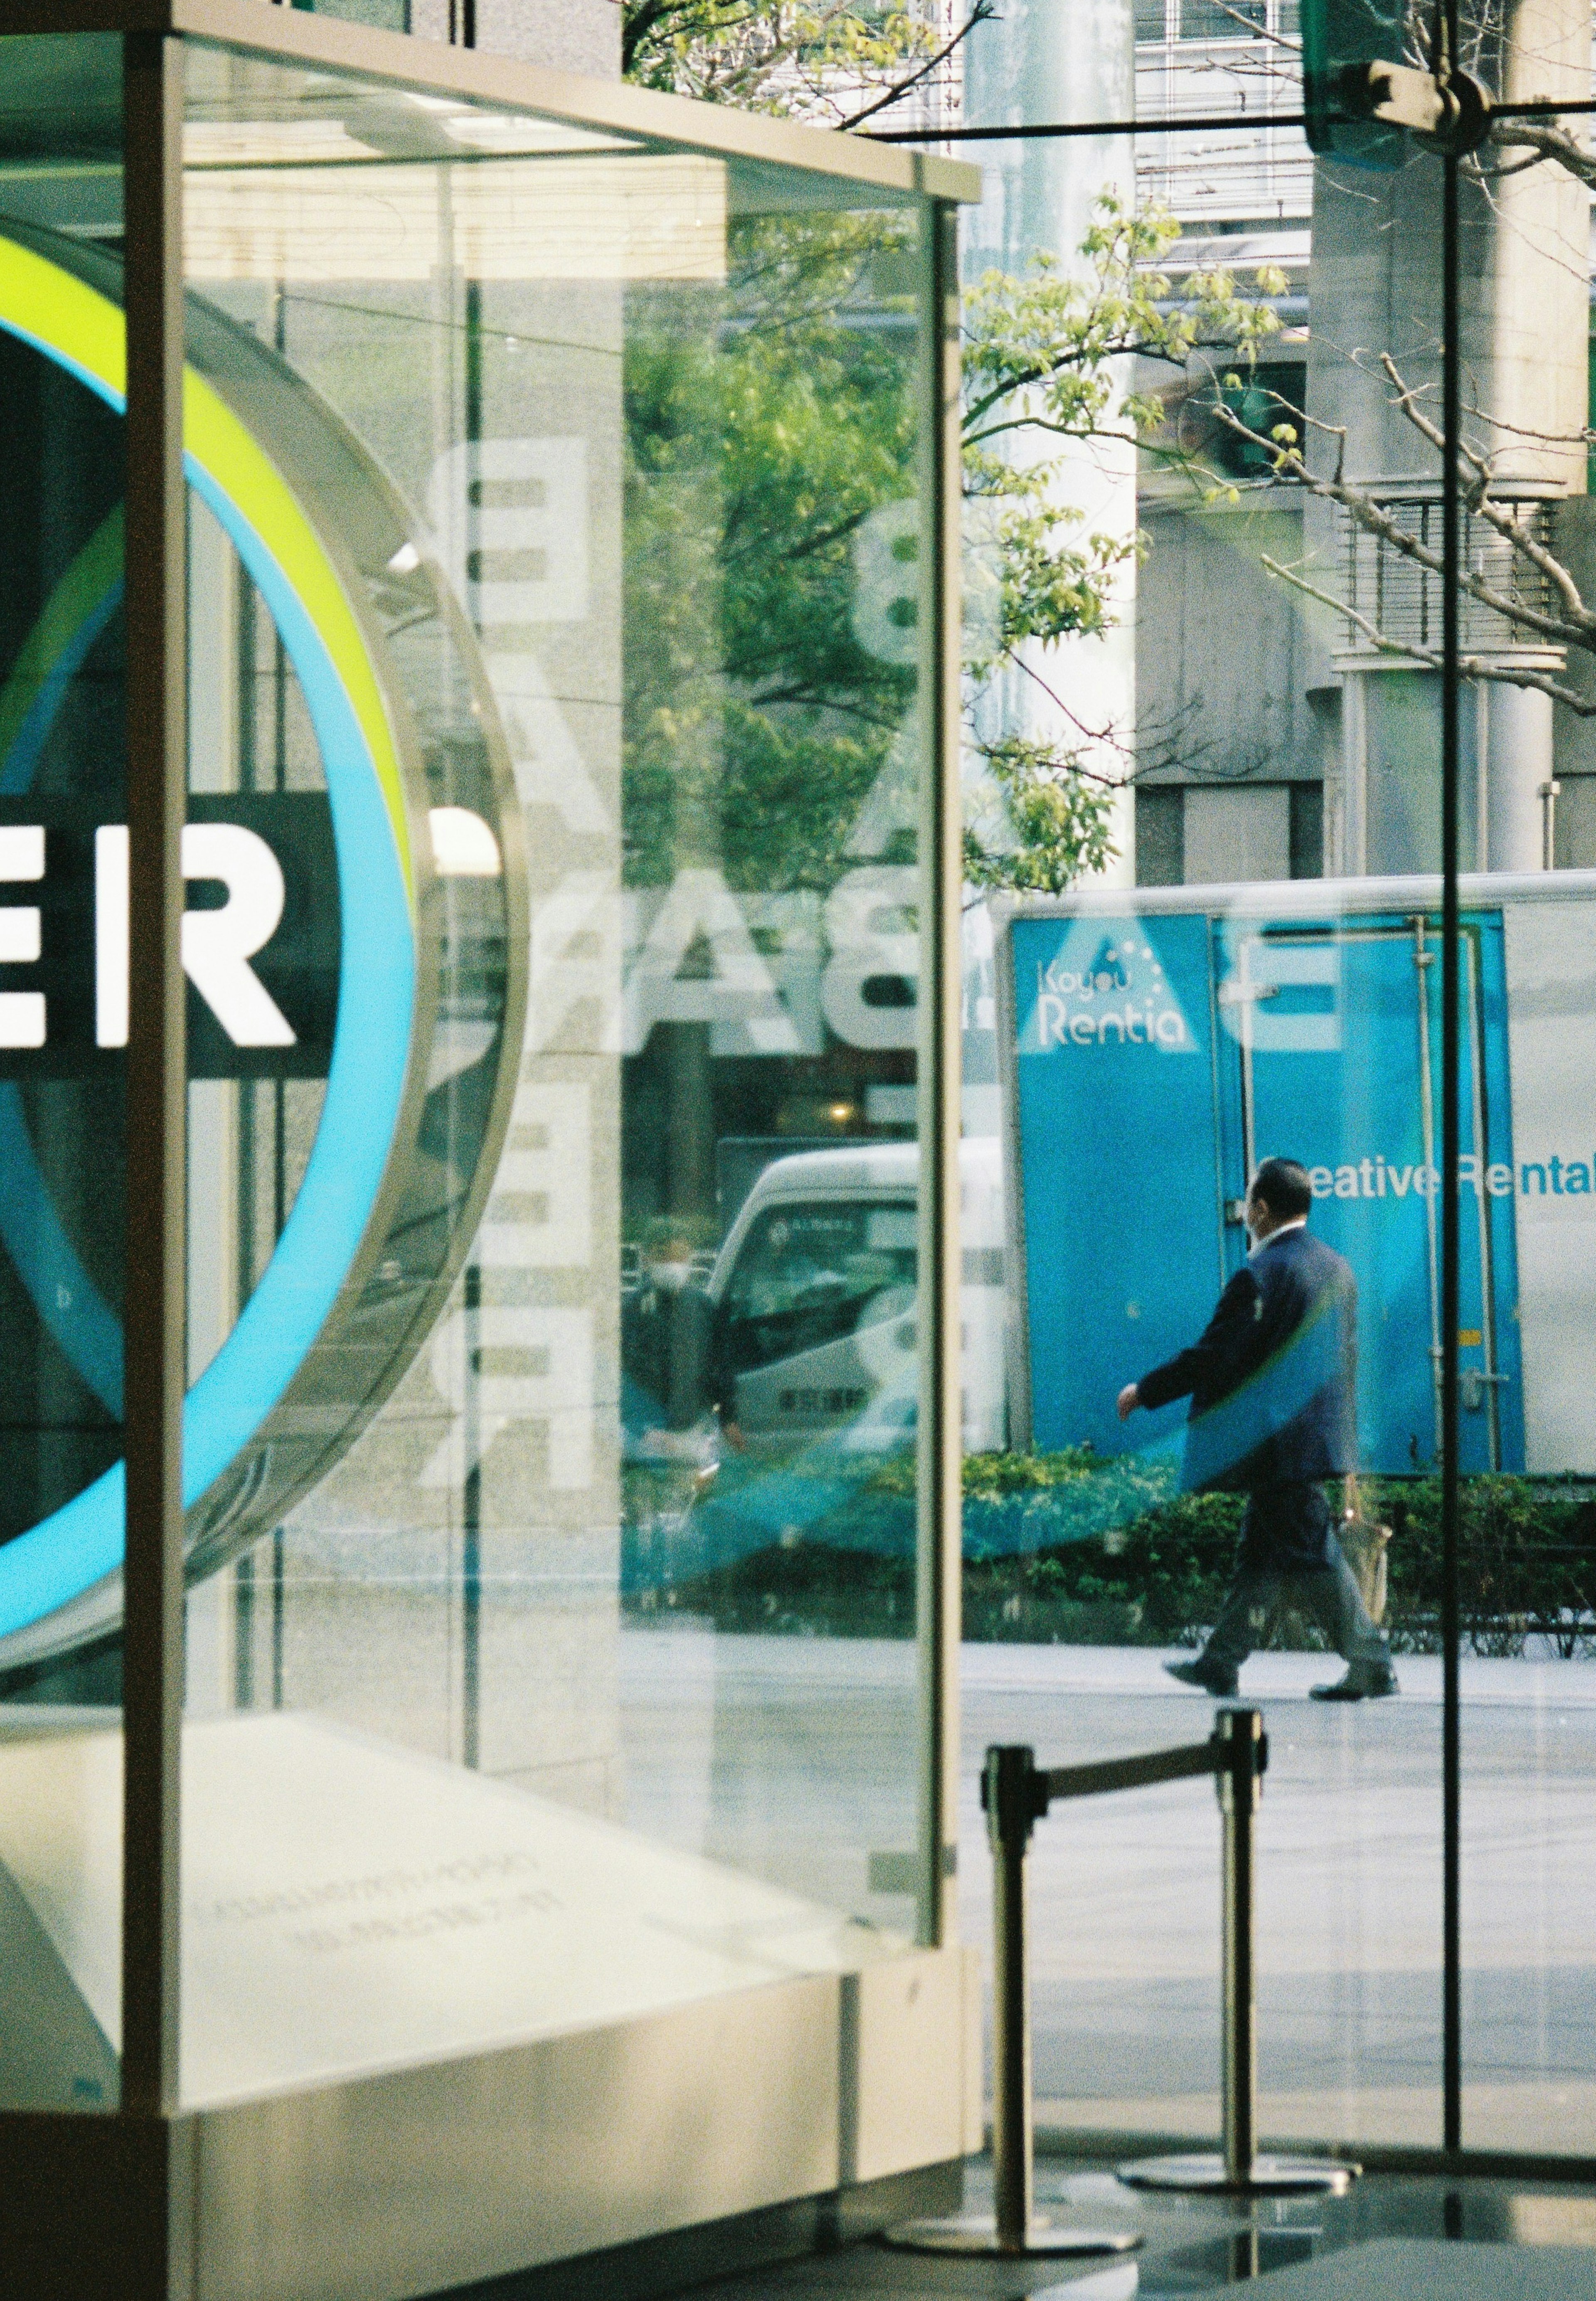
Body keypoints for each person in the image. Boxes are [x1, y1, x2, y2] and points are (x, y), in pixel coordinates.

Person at [1116, 1156, 1398, 1702]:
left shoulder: (1261, 1274)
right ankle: (1221, 1662)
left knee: (1314, 1554)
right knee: (1260, 1555)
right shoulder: (1336, 1268)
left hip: (1275, 1445)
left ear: (1262, 1209)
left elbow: (1214, 1355)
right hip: (1312, 1439)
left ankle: (1372, 1664)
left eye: (1248, 1202)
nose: (1246, 1212)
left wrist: (1144, 1392)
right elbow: (1346, 1361)